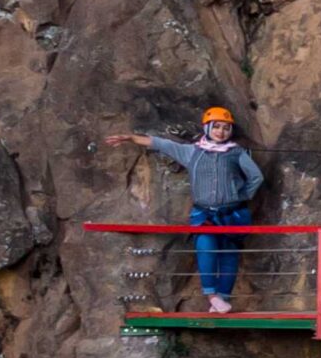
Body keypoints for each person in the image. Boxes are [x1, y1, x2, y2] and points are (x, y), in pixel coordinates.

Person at [104, 108, 266, 313]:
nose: (221, 132)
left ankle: (222, 299)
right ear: (207, 128)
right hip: (205, 213)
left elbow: (256, 177)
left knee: (229, 255)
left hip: (232, 213)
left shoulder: (236, 153)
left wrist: (241, 195)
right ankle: (212, 295)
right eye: (216, 127)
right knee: (205, 248)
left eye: (226, 128)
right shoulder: (192, 152)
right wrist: (131, 138)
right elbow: (162, 144)